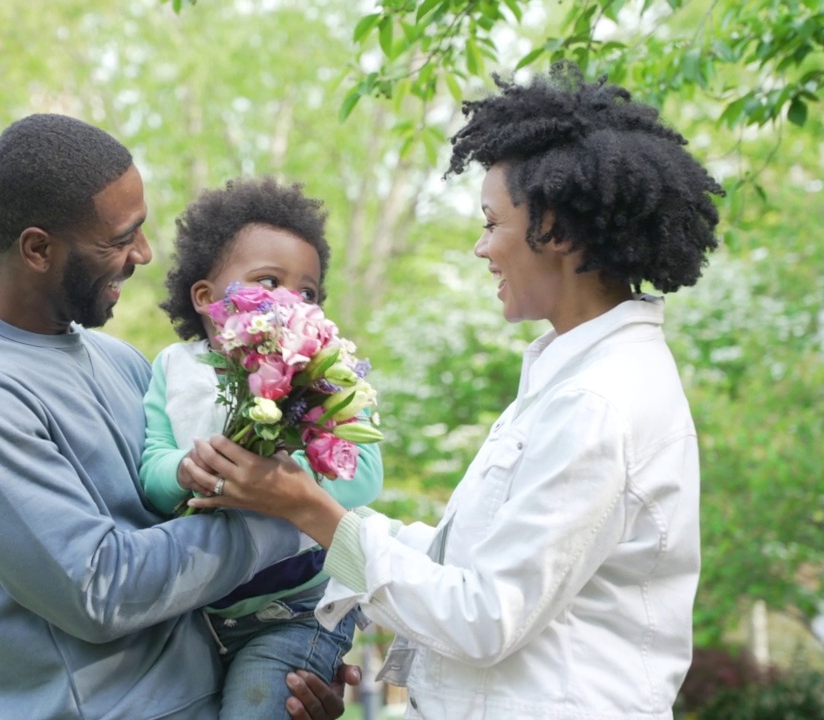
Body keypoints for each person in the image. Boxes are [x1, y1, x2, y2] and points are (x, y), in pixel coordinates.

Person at [185, 63, 723, 719]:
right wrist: (308, 511)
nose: (481, 247)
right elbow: (462, 563)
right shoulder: (570, 378)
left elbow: (487, 617)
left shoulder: (601, 401)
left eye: (492, 222)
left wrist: (313, 513)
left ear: (554, 228)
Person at [0, 113, 357, 720]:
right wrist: (299, 518)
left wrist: (285, 660)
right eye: (119, 239)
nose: (142, 253)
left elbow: (189, 534)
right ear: (38, 248)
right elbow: (99, 588)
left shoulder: (119, 362)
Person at [139, 177, 384, 719]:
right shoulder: (173, 370)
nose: (291, 302)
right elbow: (150, 467)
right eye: (268, 281)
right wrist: (183, 470)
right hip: (198, 614)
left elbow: (364, 474)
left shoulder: (328, 373)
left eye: (308, 292)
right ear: (205, 297)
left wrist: (282, 477)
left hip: (299, 608)